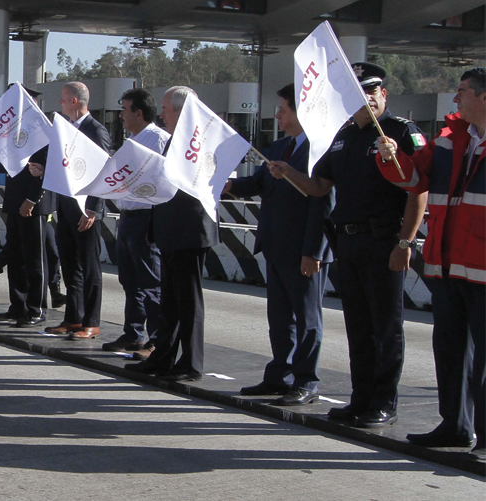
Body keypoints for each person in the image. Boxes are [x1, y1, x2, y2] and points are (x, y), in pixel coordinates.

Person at [269, 62, 427, 428]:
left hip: (384, 240)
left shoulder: (401, 133)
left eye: (372, 93)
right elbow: (319, 187)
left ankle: (384, 402)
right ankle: (360, 399)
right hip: (349, 242)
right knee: (358, 326)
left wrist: (405, 242)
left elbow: (418, 189)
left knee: (386, 326)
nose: (366, 100)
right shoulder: (342, 137)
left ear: (383, 94)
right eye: (358, 94)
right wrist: (289, 173)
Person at [376, 67, 485, 452]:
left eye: (462, 91)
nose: (455, 99)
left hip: (482, 270)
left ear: (484, 97)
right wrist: (390, 156)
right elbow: (412, 180)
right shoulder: (446, 141)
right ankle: (454, 425)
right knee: (451, 350)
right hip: (448, 266)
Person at [226, 84, 334, 406]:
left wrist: (313, 251)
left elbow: (323, 204)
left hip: (303, 250)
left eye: (283, 110)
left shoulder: (319, 151)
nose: (278, 116)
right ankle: (279, 376)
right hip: (275, 245)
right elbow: (259, 183)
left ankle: (306, 381)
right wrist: (227, 184)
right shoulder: (279, 147)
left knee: (307, 319)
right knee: (280, 318)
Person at [125, 86, 218, 382]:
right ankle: (163, 358)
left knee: (189, 302)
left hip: (190, 231)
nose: (162, 113)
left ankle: (191, 364)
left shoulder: (198, 141)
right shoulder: (174, 141)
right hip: (168, 229)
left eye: (166, 108)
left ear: (181, 110)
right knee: (170, 303)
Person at [30, 82, 112, 340]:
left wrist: (93, 210)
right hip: (65, 206)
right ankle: (73, 317)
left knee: (90, 267)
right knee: (70, 265)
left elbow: (103, 170)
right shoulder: (64, 130)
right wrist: (43, 169)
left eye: (63, 100)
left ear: (75, 101)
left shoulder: (95, 130)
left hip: (85, 210)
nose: (60, 104)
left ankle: (92, 321)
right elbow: (63, 164)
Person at [102, 88, 170, 358]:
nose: (121, 116)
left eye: (125, 110)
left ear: (138, 113)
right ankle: (133, 333)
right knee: (129, 280)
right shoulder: (131, 141)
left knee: (150, 281)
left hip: (147, 217)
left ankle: (156, 339)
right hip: (128, 216)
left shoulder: (158, 139)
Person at [0, 87, 55, 328]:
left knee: (34, 259)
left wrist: (32, 199)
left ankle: (36, 308)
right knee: (16, 256)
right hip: (15, 199)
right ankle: (18, 306)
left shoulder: (42, 128)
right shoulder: (12, 128)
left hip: (34, 203)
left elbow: (47, 168)